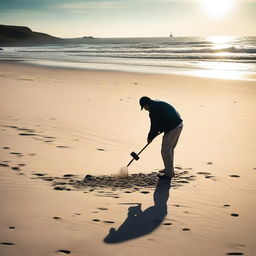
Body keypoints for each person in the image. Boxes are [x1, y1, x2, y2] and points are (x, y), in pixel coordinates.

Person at [139, 96, 183, 179]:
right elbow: (159, 124)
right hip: (178, 125)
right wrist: (153, 135)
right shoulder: (156, 104)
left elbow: (154, 126)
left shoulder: (153, 110)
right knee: (169, 149)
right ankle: (168, 169)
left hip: (174, 127)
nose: (145, 109)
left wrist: (150, 137)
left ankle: (169, 173)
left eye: (144, 107)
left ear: (146, 104)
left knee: (165, 150)